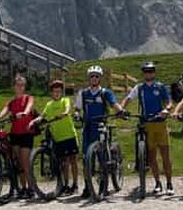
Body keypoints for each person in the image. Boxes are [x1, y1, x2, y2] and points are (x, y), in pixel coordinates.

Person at [120, 61, 174, 195]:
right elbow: (128, 99)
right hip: (147, 124)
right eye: (146, 71)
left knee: (165, 155)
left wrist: (167, 109)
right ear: (143, 73)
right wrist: (121, 109)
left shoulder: (160, 86)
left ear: (154, 73)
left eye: (150, 71)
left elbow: (169, 102)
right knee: (152, 156)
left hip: (160, 123)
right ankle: (157, 183)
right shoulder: (139, 88)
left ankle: (169, 183)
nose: (148, 74)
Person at [74, 65, 124, 198]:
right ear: (89, 78)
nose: (94, 78)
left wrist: (120, 111)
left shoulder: (105, 92)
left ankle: (103, 185)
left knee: (102, 157)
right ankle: (87, 186)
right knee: (86, 158)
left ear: (100, 78)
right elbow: (77, 108)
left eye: (96, 76)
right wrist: (77, 114)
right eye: (92, 76)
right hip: (88, 127)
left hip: (101, 126)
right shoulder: (83, 93)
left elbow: (113, 104)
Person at [29, 80, 80, 195]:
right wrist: (34, 121)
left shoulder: (65, 100)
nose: (57, 93)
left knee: (73, 160)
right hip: (58, 138)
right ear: (51, 93)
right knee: (64, 162)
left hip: (70, 135)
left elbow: (68, 108)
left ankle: (75, 184)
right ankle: (66, 185)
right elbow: (42, 116)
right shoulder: (49, 105)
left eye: (59, 91)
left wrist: (65, 113)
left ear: (62, 92)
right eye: (55, 91)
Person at [0, 75, 36, 199]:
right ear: (14, 86)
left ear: (24, 86)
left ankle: (31, 188)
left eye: (22, 85)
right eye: (17, 84)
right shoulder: (11, 102)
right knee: (18, 163)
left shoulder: (29, 98)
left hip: (27, 133)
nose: (19, 87)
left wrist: (24, 113)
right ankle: (23, 188)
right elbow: (2, 113)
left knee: (25, 162)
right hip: (15, 134)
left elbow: (29, 107)